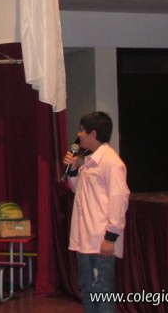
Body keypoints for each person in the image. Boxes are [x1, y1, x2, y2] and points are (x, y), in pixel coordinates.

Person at [62, 111, 129, 313]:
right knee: (88, 289)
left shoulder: (111, 162)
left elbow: (119, 199)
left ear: (93, 134)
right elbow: (80, 192)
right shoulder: (89, 161)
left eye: (82, 130)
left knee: (102, 291)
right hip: (85, 240)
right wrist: (73, 169)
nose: (78, 134)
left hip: (100, 241)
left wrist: (110, 237)